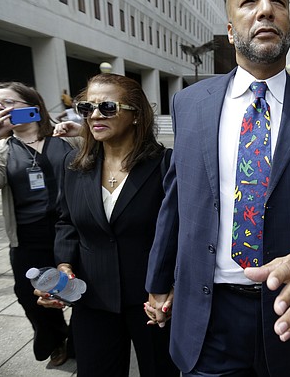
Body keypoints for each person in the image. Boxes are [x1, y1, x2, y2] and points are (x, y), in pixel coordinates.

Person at [145, 0, 290, 377]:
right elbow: (174, 198)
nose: (265, 10)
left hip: (284, 313)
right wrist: (157, 281)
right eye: (250, 1)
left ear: (289, 24)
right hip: (205, 317)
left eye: (277, 1)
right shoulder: (189, 106)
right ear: (231, 30)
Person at [35, 73, 179, 376]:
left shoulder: (166, 165)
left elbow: (181, 233)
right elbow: (66, 223)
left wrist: (172, 287)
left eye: (108, 107)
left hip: (151, 301)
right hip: (92, 299)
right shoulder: (74, 165)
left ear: (136, 114)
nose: (95, 115)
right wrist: (63, 267)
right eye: (86, 108)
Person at [0, 81, 76, 366]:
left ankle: (80, 339)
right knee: (32, 297)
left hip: (74, 232)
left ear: (32, 106)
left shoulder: (66, 138)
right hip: (28, 238)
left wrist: (83, 131)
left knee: (77, 289)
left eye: (8, 102)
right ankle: (57, 339)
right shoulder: (1, 147)